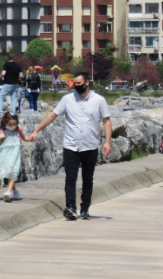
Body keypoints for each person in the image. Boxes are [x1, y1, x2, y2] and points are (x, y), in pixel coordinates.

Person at [28, 72, 112, 221]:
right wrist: (36, 130)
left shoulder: (99, 100)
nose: (75, 86)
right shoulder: (67, 99)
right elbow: (52, 116)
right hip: (71, 145)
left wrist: (107, 142)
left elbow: (106, 121)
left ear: (87, 82)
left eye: (79, 83)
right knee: (70, 178)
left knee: (87, 178)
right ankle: (71, 208)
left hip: (90, 145)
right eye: (74, 83)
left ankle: (85, 208)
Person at [0, 112, 32, 202]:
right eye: (10, 124)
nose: (12, 126)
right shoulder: (3, 131)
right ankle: (15, 191)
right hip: (5, 154)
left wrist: (31, 138)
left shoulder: (18, 130)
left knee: (12, 171)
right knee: (8, 172)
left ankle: (8, 192)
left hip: (15, 153)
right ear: (5, 123)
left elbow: (25, 138)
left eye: (14, 124)